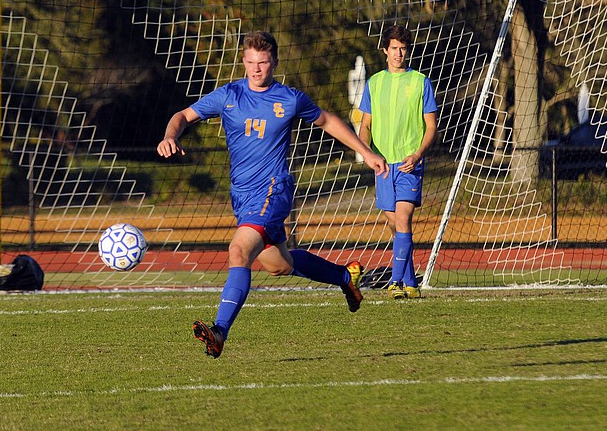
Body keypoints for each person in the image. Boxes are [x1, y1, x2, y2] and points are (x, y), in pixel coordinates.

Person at [157, 30, 388, 358]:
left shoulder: (289, 98)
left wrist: (365, 151)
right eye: (250, 62)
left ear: (274, 62)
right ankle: (344, 276)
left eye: (262, 63)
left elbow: (328, 121)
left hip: (273, 190)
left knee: (238, 251)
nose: (256, 69)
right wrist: (170, 135)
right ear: (243, 62)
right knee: (280, 264)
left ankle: (220, 331)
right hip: (242, 195)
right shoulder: (228, 95)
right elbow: (183, 116)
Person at [358, 25, 438, 299]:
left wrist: (417, 155)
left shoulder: (420, 82)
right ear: (385, 50)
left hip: (408, 164)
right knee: (395, 226)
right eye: (394, 48)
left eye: (403, 48)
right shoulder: (375, 83)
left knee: (403, 219)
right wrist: (368, 154)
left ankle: (394, 282)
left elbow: (431, 127)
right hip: (382, 166)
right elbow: (365, 126)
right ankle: (411, 284)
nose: (399, 53)